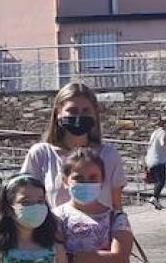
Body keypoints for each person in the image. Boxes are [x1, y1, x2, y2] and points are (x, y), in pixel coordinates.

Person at [22, 81, 125, 209]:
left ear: (95, 114)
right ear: (58, 113)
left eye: (86, 110)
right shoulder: (41, 154)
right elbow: (27, 200)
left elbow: (116, 206)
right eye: (72, 110)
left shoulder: (109, 156)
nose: (79, 116)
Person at [143, 115, 166, 206]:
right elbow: (163, 143)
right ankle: (154, 197)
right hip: (158, 160)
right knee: (161, 181)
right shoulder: (163, 133)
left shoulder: (155, 132)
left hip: (150, 160)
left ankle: (156, 200)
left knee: (157, 181)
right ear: (165, 124)